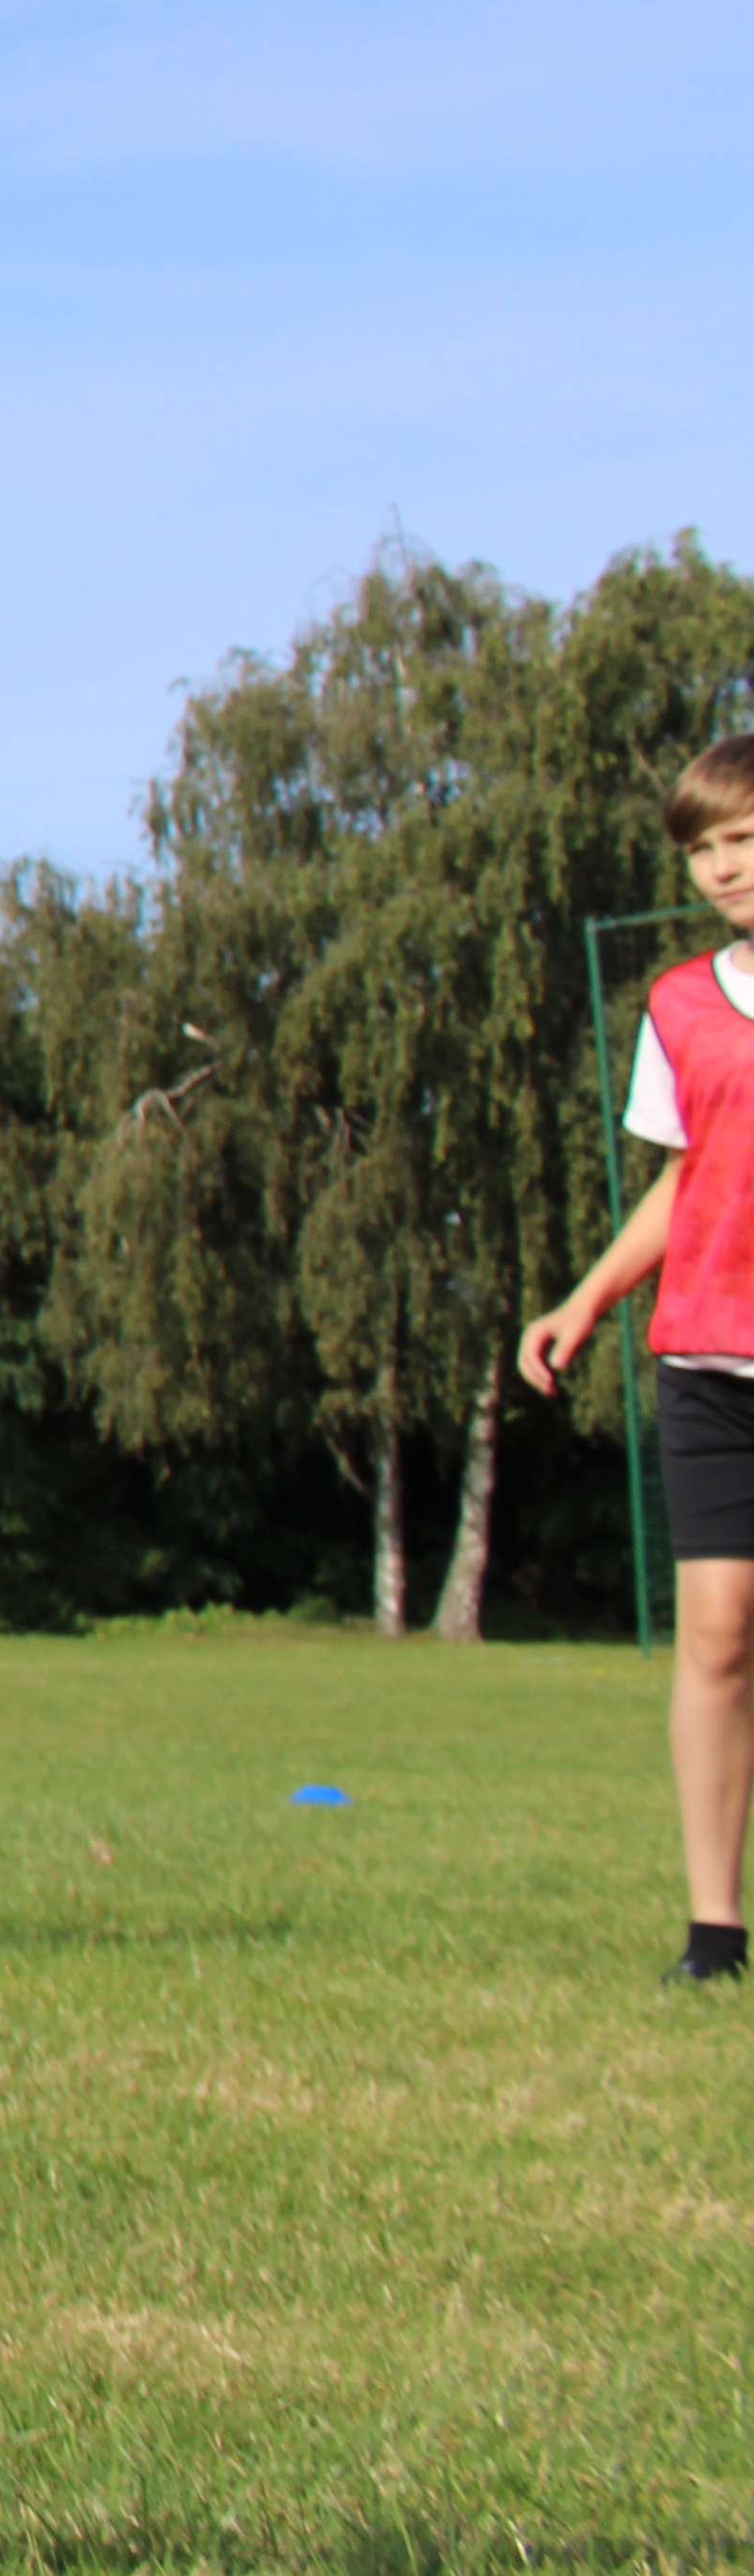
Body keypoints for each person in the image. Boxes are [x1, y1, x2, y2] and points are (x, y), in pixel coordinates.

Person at [518, 731, 754, 1991]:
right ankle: (715, 1936)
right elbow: (684, 1177)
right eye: (704, 847)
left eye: (743, 837)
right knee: (717, 1636)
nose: (723, 865)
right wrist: (584, 1301)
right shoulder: (678, 1002)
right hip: (712, 1361)